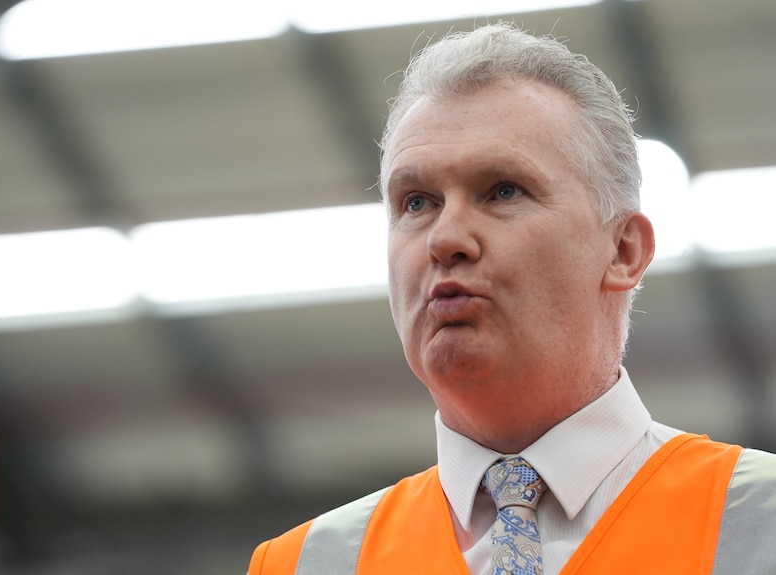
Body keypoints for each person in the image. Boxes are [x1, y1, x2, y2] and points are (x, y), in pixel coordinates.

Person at [247, 22, 776, 575]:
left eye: (503, 190)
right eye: (417, 202)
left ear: (623, 250)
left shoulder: (758, 523)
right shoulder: (304, 564)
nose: (445, 238)